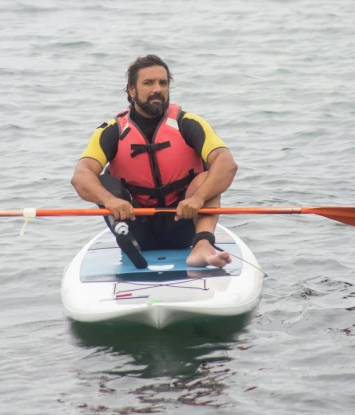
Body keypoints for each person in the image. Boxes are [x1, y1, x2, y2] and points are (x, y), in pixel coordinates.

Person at [70, 55, 238, 268]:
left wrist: (198, 198)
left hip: (184, 222)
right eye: (148, 83)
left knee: (208, 177)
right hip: (134, 227)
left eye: (163, 83)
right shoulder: (112, 131)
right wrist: (110, 200)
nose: (157, 89)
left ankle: (203, 247)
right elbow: (81, 175)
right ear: (131, 90)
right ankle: (126, 241)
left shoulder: (189, 123)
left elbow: (226, 163)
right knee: (103, 181)